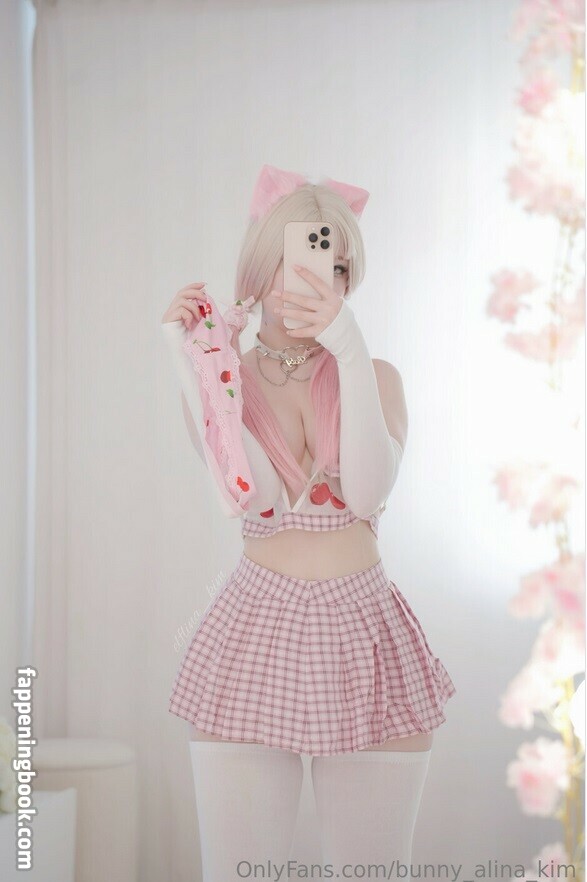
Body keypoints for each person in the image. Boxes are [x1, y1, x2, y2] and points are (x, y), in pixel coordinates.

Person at [161, 164, 456, 881]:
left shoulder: (376, 376)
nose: (325, 279)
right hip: (254, 631)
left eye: (338, 266)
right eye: (304, 257)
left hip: (365, 636)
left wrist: (347, 346)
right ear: (263, 263)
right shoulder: (224, 377)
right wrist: (192, 361)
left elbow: (366, 493)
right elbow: (254, 496)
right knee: (239, 872)